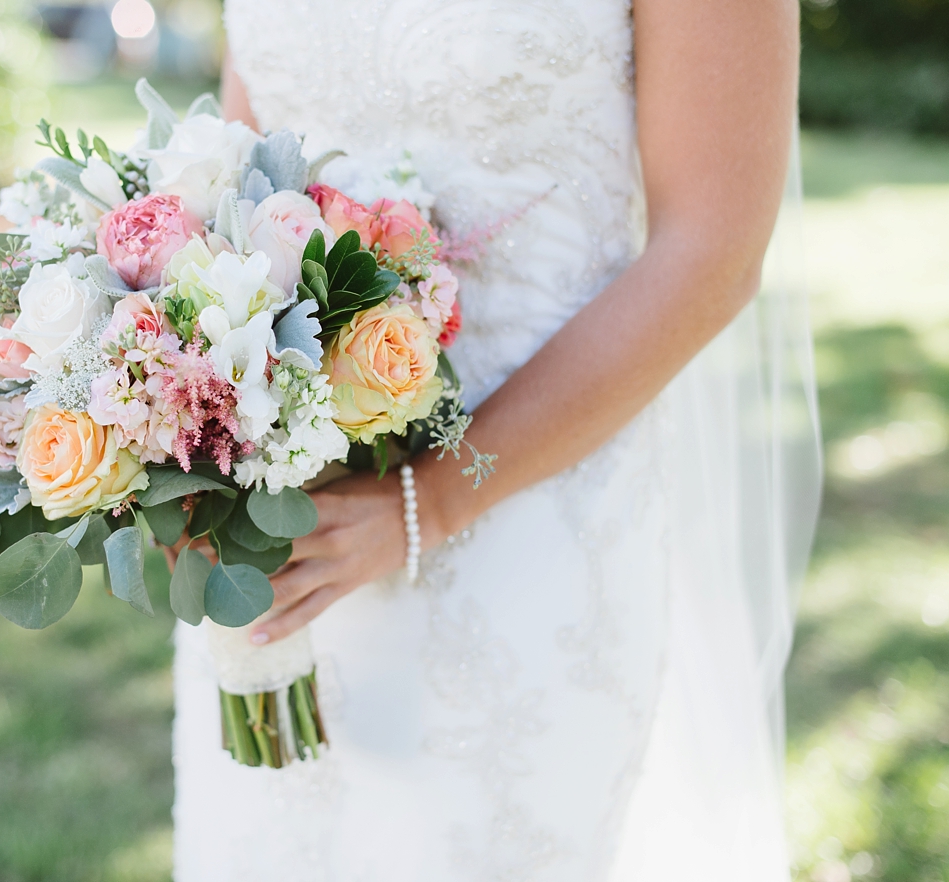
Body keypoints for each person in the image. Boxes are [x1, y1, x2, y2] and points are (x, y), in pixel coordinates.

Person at [170, 1, 821, 879]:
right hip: (289, 509)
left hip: (538, 510)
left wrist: (428, 501)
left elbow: (712, 251)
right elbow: (238, 178)